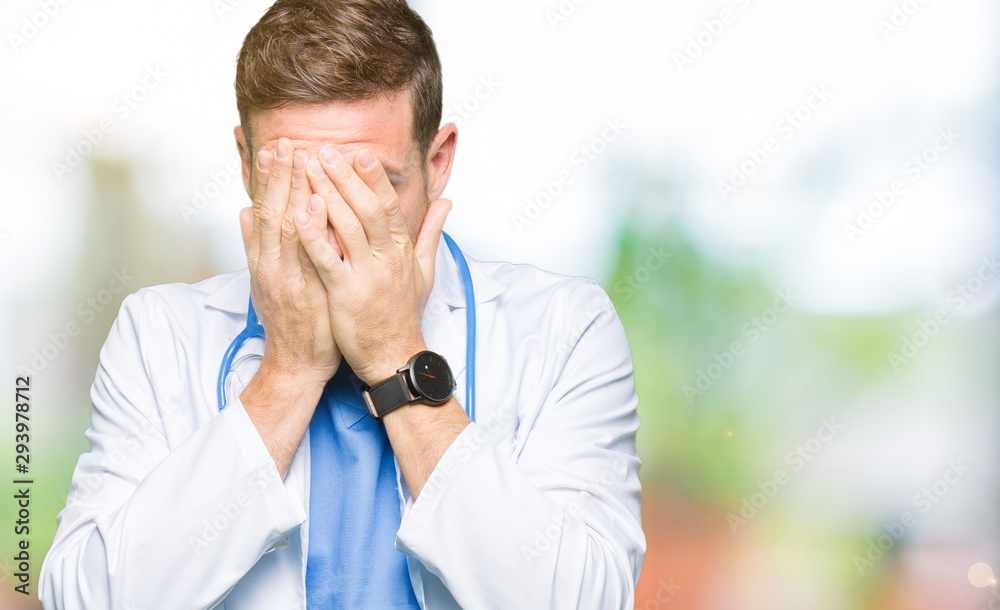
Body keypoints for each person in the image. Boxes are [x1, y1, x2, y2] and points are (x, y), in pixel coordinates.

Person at [39, 1, 645, 608]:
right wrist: (288, 372)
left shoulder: (565, 330)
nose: (332, 233)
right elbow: (86, 598)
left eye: (369, 188)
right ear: (248, 165)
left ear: (436, 165)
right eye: (299, 186)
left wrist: (394, 351)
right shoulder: (158, 334)